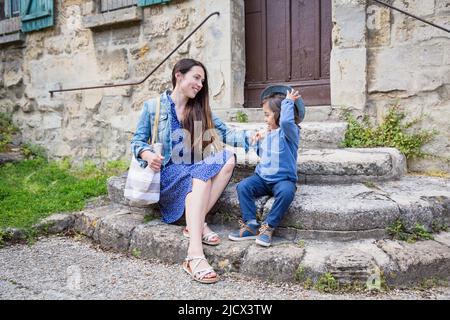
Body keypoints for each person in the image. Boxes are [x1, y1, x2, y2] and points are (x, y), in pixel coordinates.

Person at [131, 58, 251, 284]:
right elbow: (137, 141)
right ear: (179, 75)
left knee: (227, 159)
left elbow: (227, 133)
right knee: (202, 176)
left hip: (193, 170)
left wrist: (254, 138)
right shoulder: (153, 106)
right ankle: (194, 255)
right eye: (196, 77)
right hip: (168, 174)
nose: (200, 84)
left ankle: (193, 223)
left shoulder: (199, 108)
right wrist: (147, 155)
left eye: (202, 81)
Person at [228, 85, 305, 247]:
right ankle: (251, 225)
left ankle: (268, 226)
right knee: (243, 187)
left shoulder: (290, 133)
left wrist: (288, 102)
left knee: (286, 192)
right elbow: (265, 156)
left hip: (283, 179)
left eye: (267, 115)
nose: (265, 119)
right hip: (262, 178)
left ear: (280, 114)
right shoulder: (268, 133)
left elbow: (285, 121)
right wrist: (257, 142)